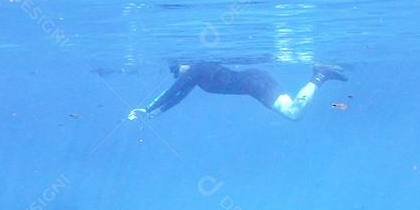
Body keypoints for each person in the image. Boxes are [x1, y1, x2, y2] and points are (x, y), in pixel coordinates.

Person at [127, 61, 346, 121]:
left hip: (256, 84)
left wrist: (147, 109)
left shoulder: (194, 69)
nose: (177, 74)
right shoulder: (193, 73)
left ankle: (320, 74)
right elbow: (179, 95)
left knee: (294, 113)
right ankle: (321, 74)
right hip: (256, 81)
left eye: (176, 70)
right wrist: (154, 111)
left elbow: (173, 91)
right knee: (294, 114)